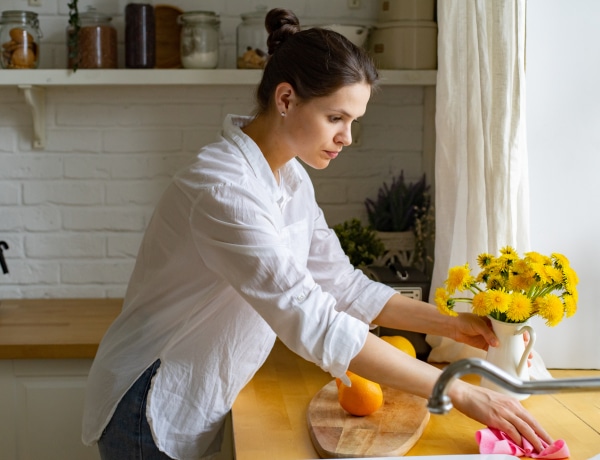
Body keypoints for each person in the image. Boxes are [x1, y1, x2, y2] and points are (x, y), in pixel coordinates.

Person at [82, 8, 552, 460]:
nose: (347, 137)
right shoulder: (224, 190)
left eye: (353, 122)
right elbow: (315, 320)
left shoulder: (289, 177)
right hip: (150, 400)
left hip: (193, 390)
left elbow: (341, 286)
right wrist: (460, 392)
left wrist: (450, 324)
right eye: (336, 118)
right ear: (286, 100)